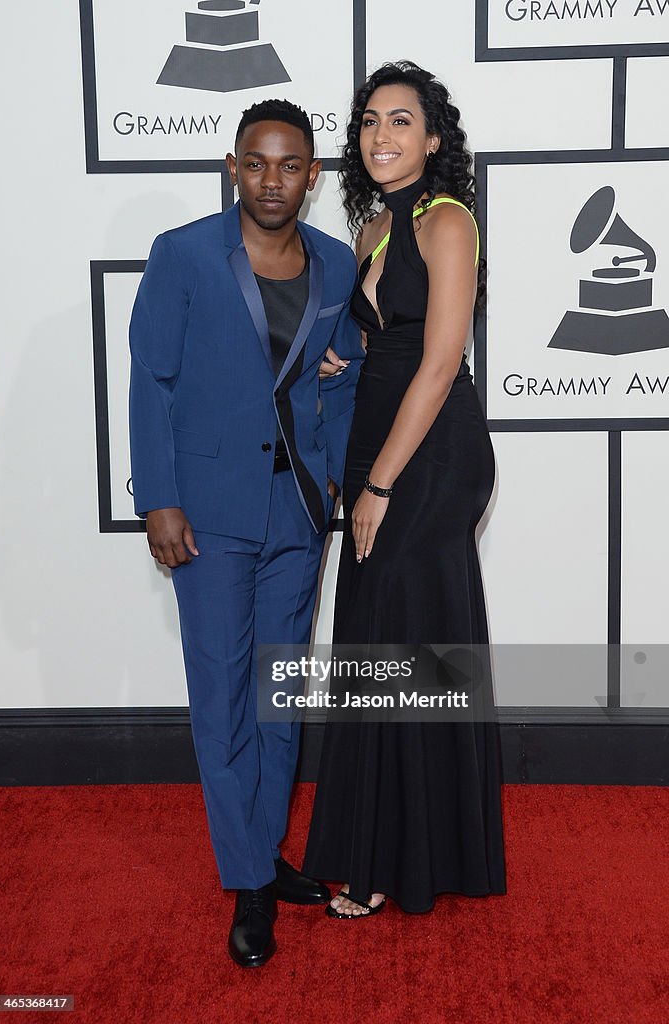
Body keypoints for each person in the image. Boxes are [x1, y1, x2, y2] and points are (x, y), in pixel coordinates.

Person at [128, 99, 365, 966]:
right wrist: (157, 497)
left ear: (312, 174)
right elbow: (152, 381)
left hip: (299, 514)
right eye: (257, 163)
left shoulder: (336, 267)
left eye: (290, 164)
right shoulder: (185, 254)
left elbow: (338, 381)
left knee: (278, 698)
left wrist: (334, 475)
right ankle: (251, 882)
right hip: (209, 516)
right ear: (234, 168)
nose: (273, 179)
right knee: (224, 699)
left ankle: (262, 855)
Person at [302, 62, 506, 917]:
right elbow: (373, 340)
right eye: (368, 122)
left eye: (400, 120)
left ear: (432, 138)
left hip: (431, 456)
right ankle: (393, 848)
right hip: (376, 448)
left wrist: (379, 484)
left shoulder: (447, 219)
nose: (380, 135)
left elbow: (437, 359)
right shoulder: (372, 228)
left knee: (405, 640)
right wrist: (338, 354)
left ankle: (399, 861)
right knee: (380, 641)